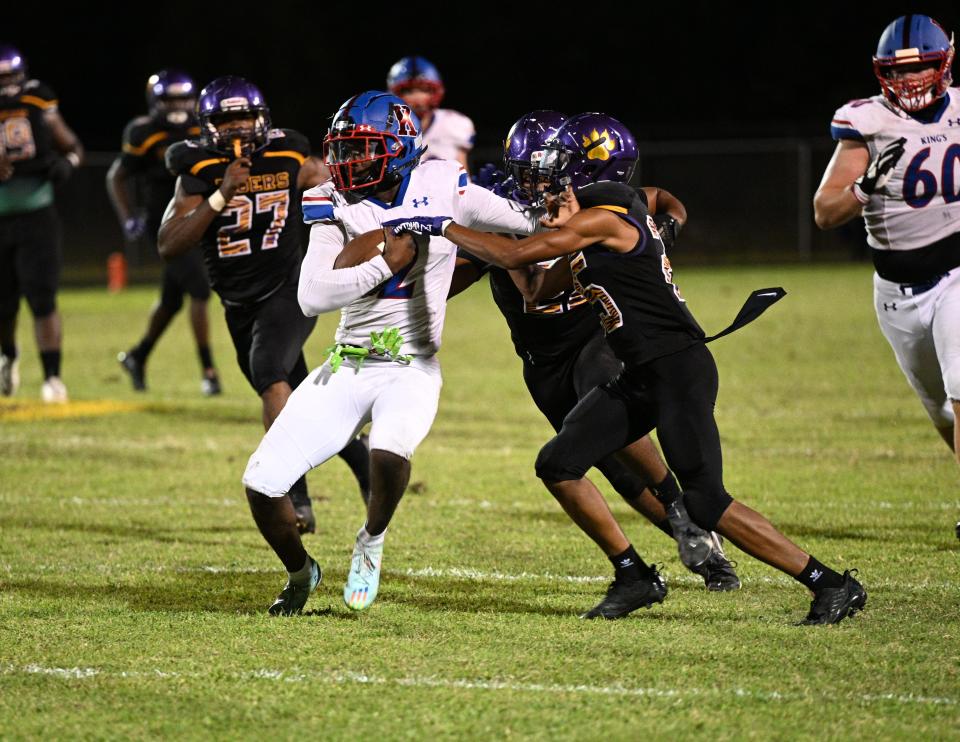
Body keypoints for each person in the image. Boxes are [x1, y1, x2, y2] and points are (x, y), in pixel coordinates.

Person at [430, 112, 867, 625]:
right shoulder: (603, 212)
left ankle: (831, 583)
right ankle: (635, 575)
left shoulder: (604, 220)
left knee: (707, 502)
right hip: (639, 373)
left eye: (562, 167)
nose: (552, 176)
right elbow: (537, 291)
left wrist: (444, 225)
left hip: (676, 369)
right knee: (558, 463)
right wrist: (549, 239)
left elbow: (521, 252)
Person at [240, 90, 545, 616]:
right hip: (347, 362)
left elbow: (527, 224)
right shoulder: (330, 199)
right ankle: (301, 571)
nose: (347, 162)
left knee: (389, 448)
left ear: (399, 147)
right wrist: (387, 262)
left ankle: (371, 538)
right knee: (261, 484)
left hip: (412, 364)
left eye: (361, 149)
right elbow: (312, 295)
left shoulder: (444, 182)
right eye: (343, 150)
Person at [461, 110, 740, 591]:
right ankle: (687, 541)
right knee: (610, 469)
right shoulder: (502, 209)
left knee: (608, 404)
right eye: (528, 170)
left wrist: (668, 227)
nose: (533, 181)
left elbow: (661, 199)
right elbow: (466, 277)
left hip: (591, 339)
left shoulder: (595, 204)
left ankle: (682, 509)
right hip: (541, 361)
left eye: (542, 169)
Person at [158, 76, 370, 535]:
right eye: (225, 120)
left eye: (243, 118)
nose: (236, 130)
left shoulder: (288, 153)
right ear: (207, 126)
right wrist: (220, 195)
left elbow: (337, 183)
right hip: (238, 303)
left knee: (270, 372)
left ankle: (295, 499)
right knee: (298, 398)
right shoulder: (196, 168)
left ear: (262, 120)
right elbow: (170, 245)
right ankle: (362, 457)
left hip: (289, 289)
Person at [814, 14, 960, 541]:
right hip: (896, 293)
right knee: (940, 409)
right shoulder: (866, 123)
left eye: (923, 66)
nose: (913, 79)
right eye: (901, 70)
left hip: (955, 275)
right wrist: (864, 187)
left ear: (944, 62)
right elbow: (825, 212)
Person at [107, 70, 221, 395]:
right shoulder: (144, 132)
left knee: (172, 301)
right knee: (199, 290)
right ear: (155, 101)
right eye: (169, 99)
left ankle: (137, 357)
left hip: (200, 220)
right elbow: (116, 176)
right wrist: (128, 217)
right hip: (166, 226)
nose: (177, 106)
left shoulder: (203, 127)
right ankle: (209, 371)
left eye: (182, 98)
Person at [0, 44, 83, 403]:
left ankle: (52, 377)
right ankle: (9, 356)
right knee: (3, 303)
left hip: (37, 214)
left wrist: (68, 164)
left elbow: (73, 147)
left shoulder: (38, 100)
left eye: (10, 78)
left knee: (42, 296)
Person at [387, 56, 474, 172]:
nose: (417, 97)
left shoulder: (454, 124)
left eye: (424, 90)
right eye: (408, 91)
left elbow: (464, 178)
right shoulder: (385, 127)